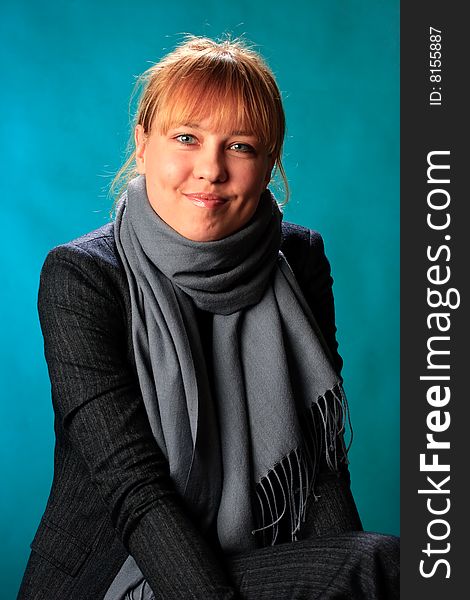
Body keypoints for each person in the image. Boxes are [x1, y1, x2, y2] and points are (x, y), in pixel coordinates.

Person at [18, 36, 399, 599]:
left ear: (270, 163)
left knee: (383, 568)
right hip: (118, 572)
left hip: (260, 564)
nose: (211, 169)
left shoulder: (299, 260)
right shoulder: (82, 276)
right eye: (187, 138)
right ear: (143, 144)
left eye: (240, 146)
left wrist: (352, 585)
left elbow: (318, 471)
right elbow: (136, 492)